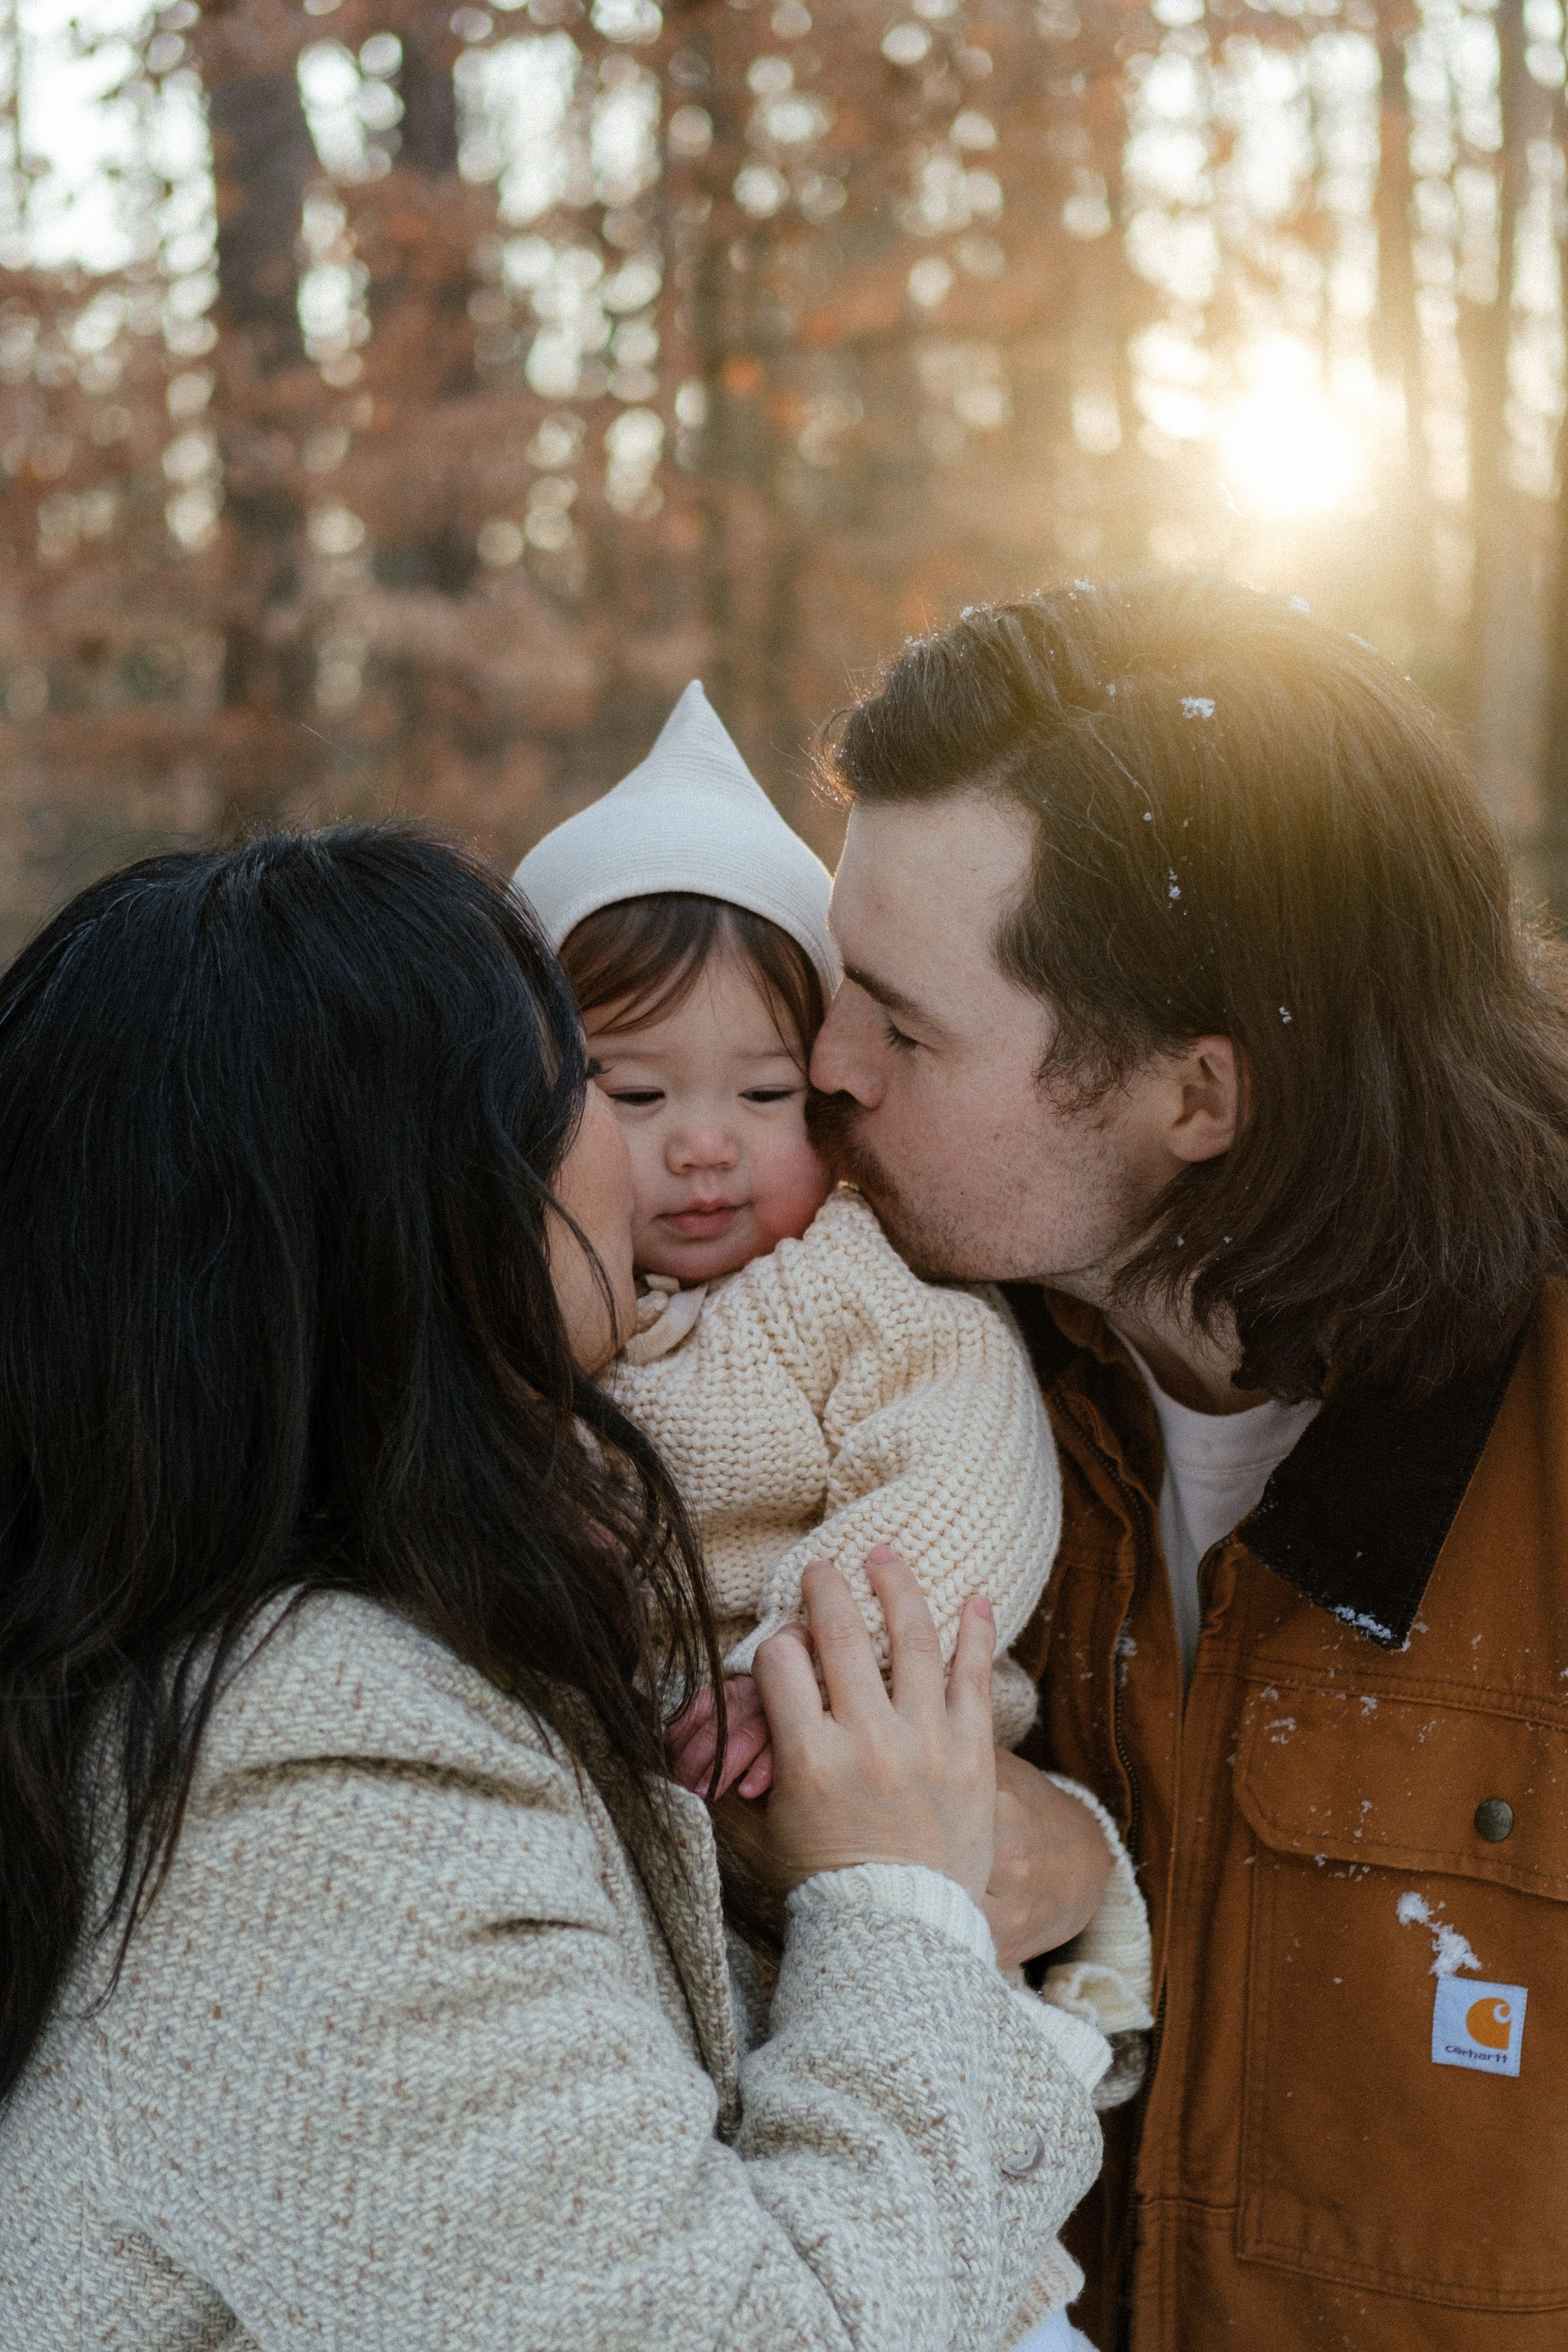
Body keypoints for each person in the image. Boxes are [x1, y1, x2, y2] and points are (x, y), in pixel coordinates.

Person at [0, 826, 1109, 2350]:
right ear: (415, 1204)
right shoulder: (306, 1785)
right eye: (582, 1083)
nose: (644, 1143)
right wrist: (896, 1902)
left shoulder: (366, 1639)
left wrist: (1056, 1870)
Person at [806, 575, 1568, 2352]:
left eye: (903, 1027)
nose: (823, 1067)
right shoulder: (870, 1370)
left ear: (1194, 1099)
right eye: (835, 982)